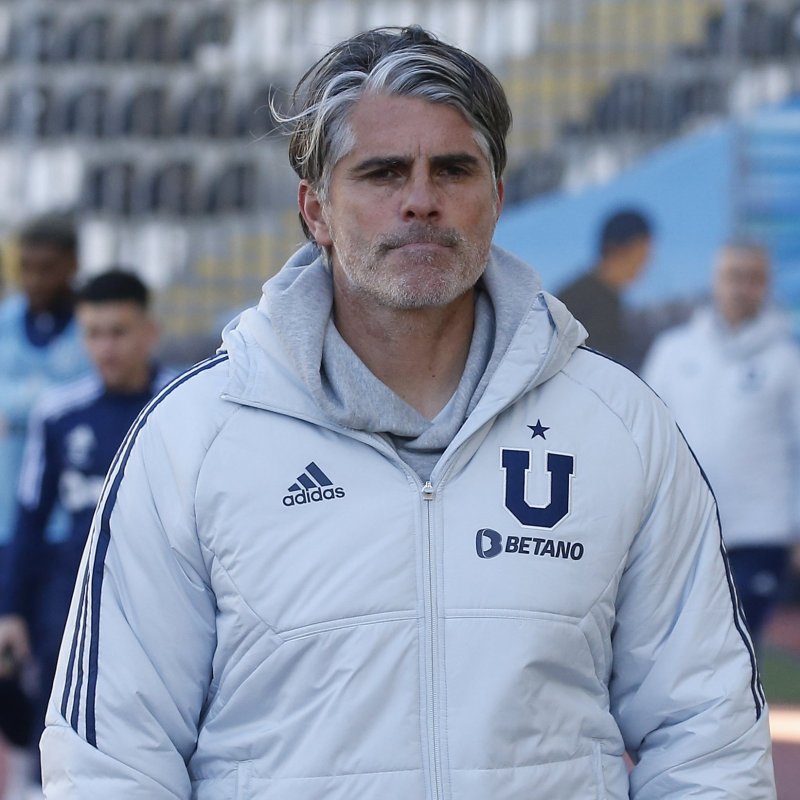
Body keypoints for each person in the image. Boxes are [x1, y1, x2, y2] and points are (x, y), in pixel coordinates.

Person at [41, 26, 774, 799]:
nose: (421, 200)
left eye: (453, 169)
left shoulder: (618, 425)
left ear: (496, 199)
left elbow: (707, 734)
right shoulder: (193, 435)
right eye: (382, 172)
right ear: (316, 211)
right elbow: (112, 757)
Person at [0, 269, 173, 787]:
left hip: (163, 598)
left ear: (149, 332)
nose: (105, 348)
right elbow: (30, 518)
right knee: (58, 742)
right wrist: (11, 610)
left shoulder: (181, 403)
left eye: (118, 332)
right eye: (93, 334)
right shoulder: (59, 413)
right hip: (72, 600)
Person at [643, 240, 800, 650]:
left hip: (760, 533)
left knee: (738, 651)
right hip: (684, 529)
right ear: (715, 280)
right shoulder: (673, 352)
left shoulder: (787, 361)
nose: (742, 287)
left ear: (766, 285)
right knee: (679, 652)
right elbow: (647, 435)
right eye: (734, 276)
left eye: (753, 278)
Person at [0, 214, 91, 553]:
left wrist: (18, 408)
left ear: (73, 264)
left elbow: (89, 400)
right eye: (25, 267)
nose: (34, 280)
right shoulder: (7, 320)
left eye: (46, 268)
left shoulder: (92, 327)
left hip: (69, 519)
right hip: (7, 510)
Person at [557, 208, 653, 371]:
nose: (645, 264)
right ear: (617, 249)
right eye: (641, 253)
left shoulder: (609, 299)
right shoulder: (580, 300)